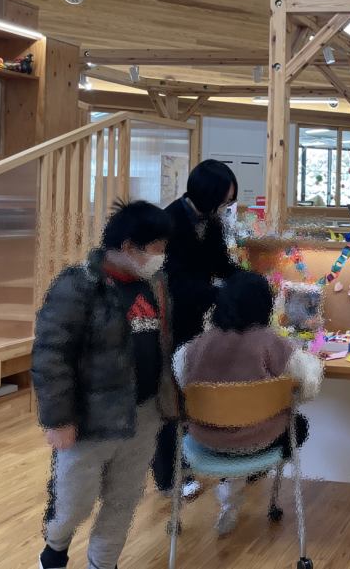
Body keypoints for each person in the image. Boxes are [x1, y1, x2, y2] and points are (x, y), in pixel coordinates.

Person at [32, 200, 176, 569]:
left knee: (123, 501)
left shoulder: (155, 285)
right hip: (90, 420)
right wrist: (58, 420)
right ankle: (55, 549)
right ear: (128, 246)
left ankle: (103, 563)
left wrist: (165, 403)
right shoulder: (78, 285)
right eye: (156, 248)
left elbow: (163, 346)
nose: (161, 257)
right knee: (73, 503)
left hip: (144, 414)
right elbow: (51, 355)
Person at [175, 271, 321, 534]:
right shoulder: (273, 343)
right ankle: (238, 485)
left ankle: (231, 489)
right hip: (259, 442)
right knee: (297, 425)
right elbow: (309, 385)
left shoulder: (195, 346)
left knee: (237, 426)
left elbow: (181, 382)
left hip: (205, 443)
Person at [153, 159, 241, 498]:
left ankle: (187, 462)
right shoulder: (168, 223)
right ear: (206, 195)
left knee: (188, 391)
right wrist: (219, 293)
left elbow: (220, 263)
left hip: (193, 318)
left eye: (229, 201)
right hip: (165, 320)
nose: (226, 206)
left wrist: (245, 281)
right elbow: (174, 282)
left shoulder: (212, 224)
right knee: (168, 397)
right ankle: (168, 477)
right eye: (223, 200)